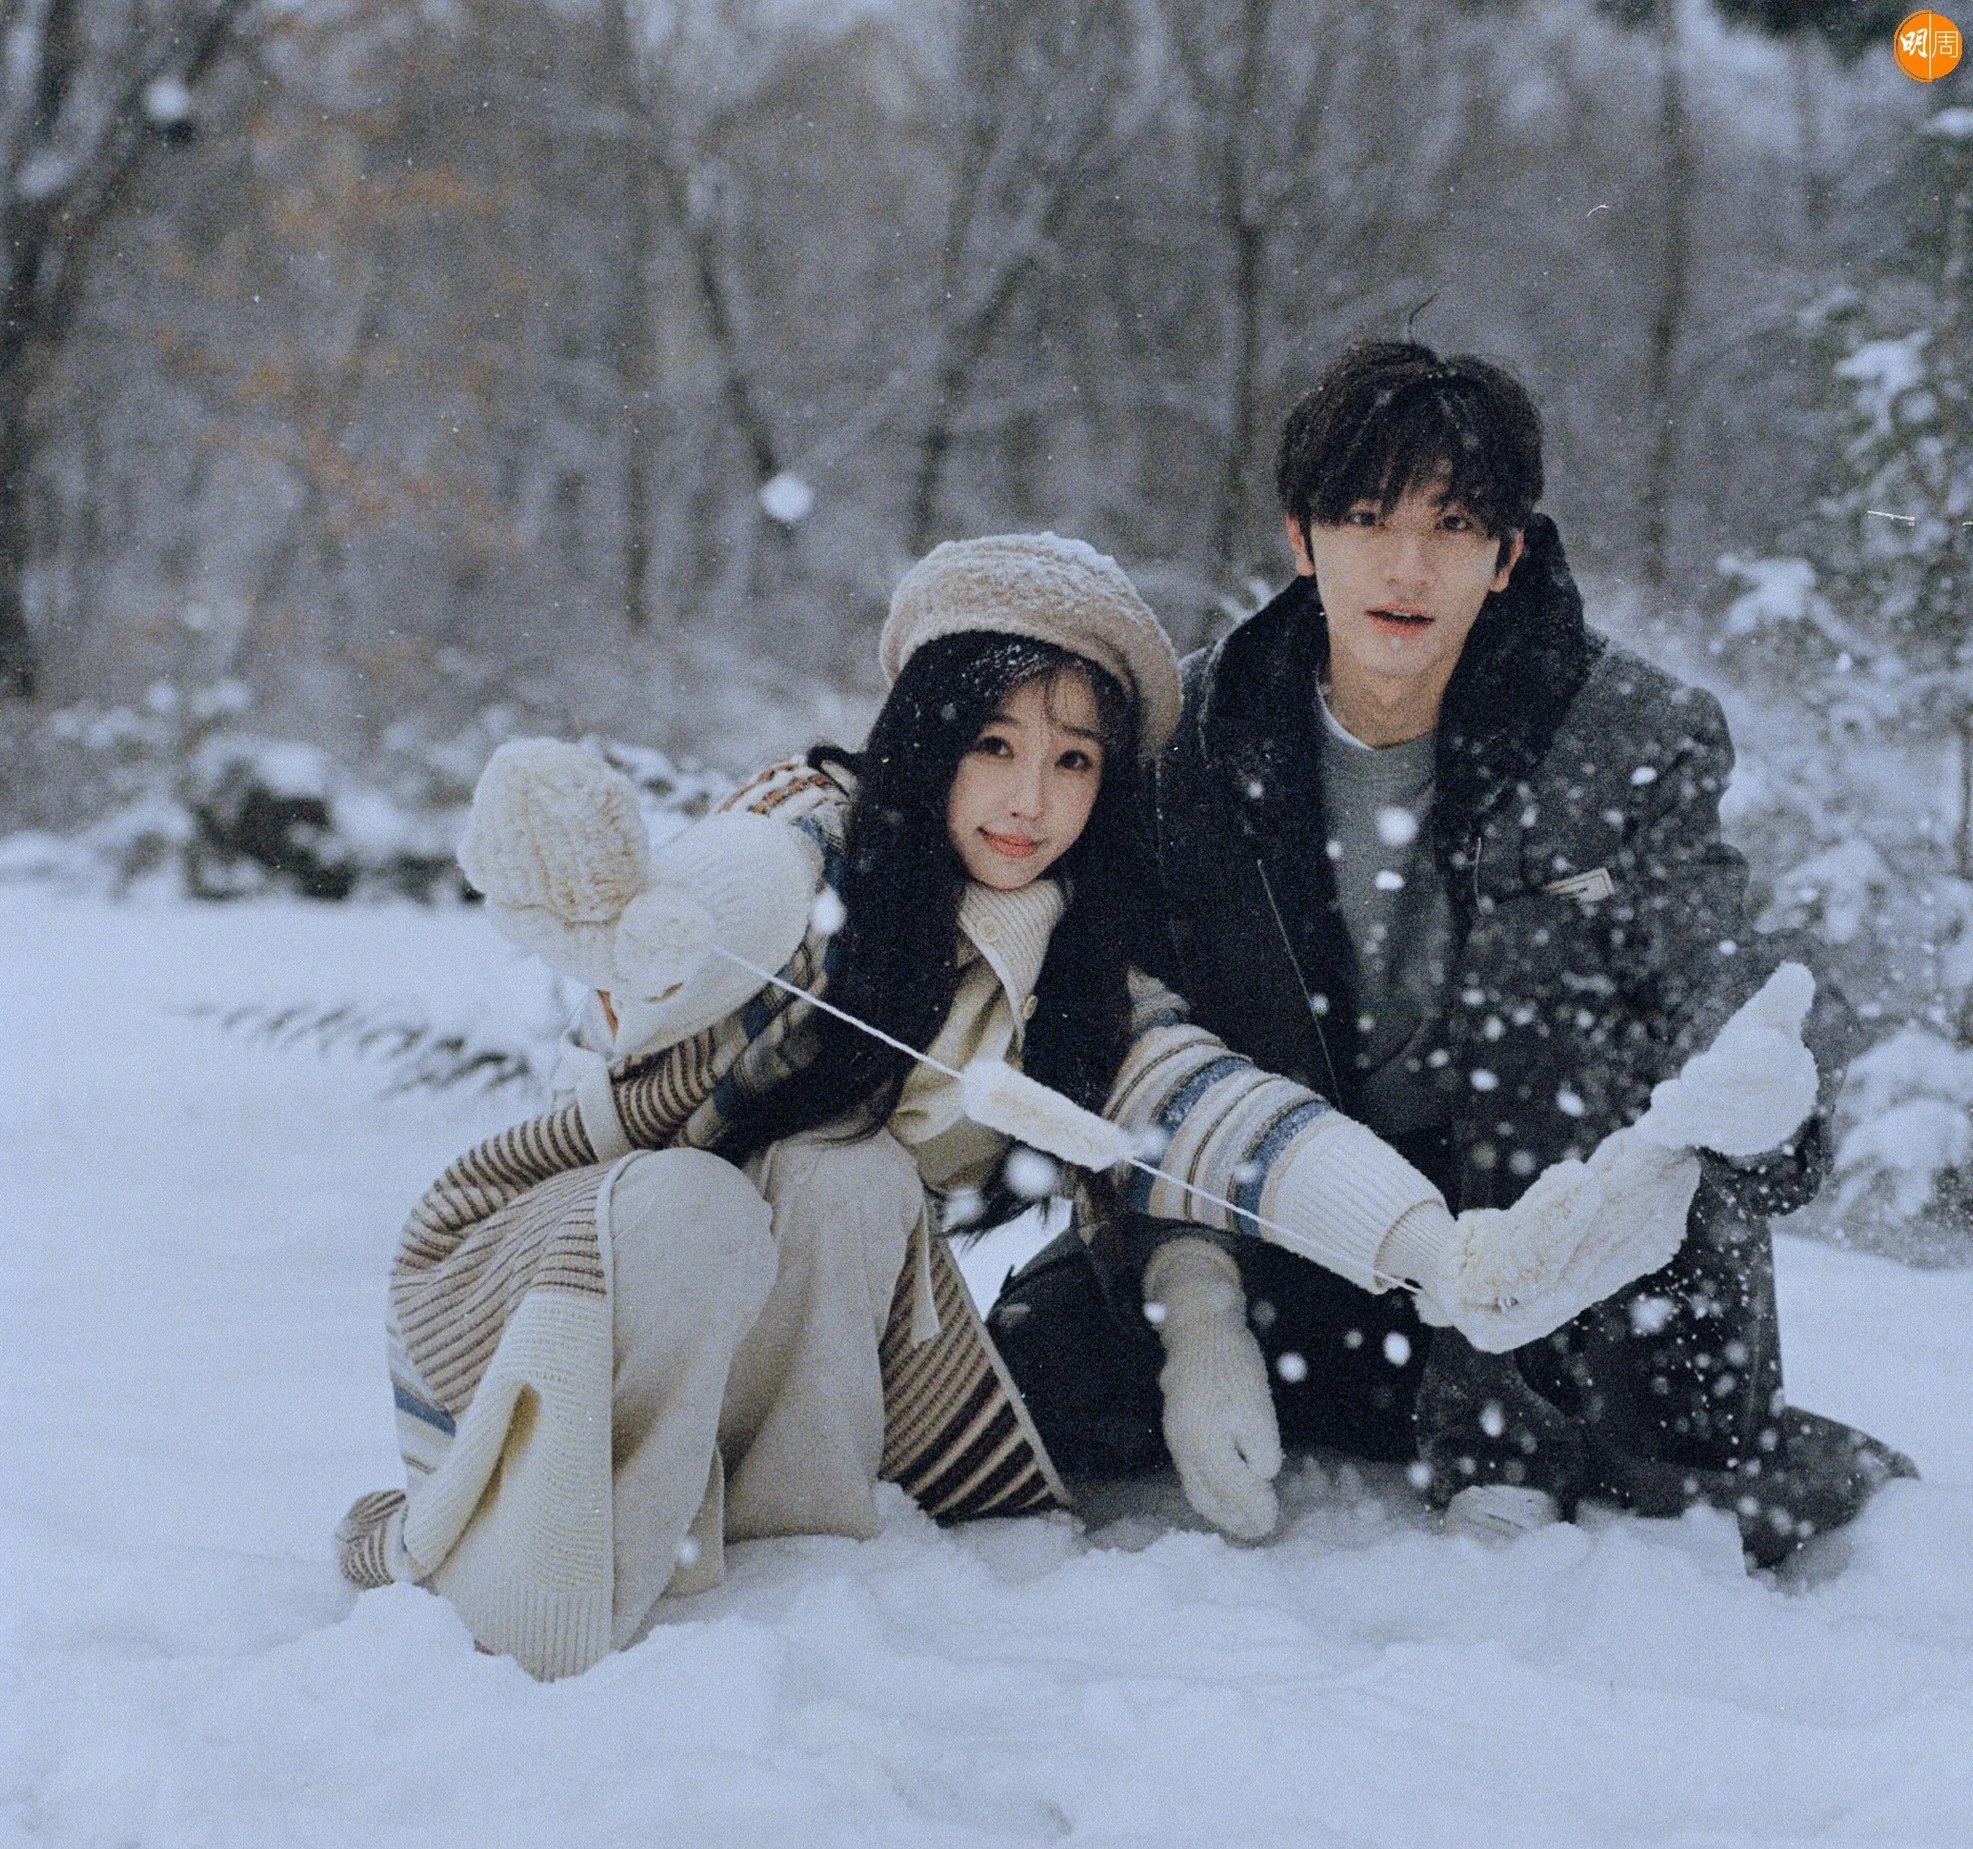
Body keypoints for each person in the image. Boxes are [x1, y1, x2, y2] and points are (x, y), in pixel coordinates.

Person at [335, 532, 1704, 1678]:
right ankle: (533, 1557)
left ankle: (785, 1551)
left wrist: (1438, 1250)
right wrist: (634, 923)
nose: (1027, 798)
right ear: (926, 735)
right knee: (713, 1199)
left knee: (848, 1173)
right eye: (992, 743)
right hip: (558, 1277)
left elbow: (1220, 1118)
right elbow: (736, 886)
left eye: (1073, 761)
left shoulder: (1070, 978)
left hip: (764, 1332)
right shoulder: (815, 831)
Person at [986, 344, 1914, 1563]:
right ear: (1301, 538)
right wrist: (1196, 1310)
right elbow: (1146, 1050)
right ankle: (1378, 1386)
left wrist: (1756, 1079)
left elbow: (1707, 962)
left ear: (1506, 553)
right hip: (1305, 1218)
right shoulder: (1194, 741)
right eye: (1366, 518)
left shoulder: (1627, 732)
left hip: (1554, 1229)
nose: (1406, 567)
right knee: (1032, 1374)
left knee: (1579, 1048)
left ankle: (1513, 1424)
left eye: (1452, 524)